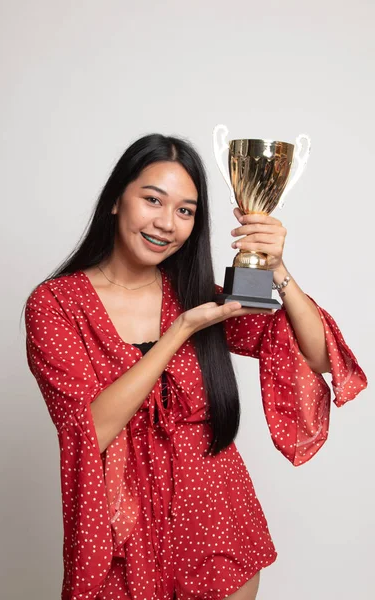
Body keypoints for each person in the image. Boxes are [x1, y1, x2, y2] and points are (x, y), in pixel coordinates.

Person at [24, 133, 367, 600]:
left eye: (185, 211)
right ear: (114, 201)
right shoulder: (56, 304)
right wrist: (180, 331)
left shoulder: (198, 294)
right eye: (152, 200)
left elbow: (317, 355)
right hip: (122, 530)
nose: (166, 223)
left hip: (217, 518)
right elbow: (90, 429)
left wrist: (278, 268)